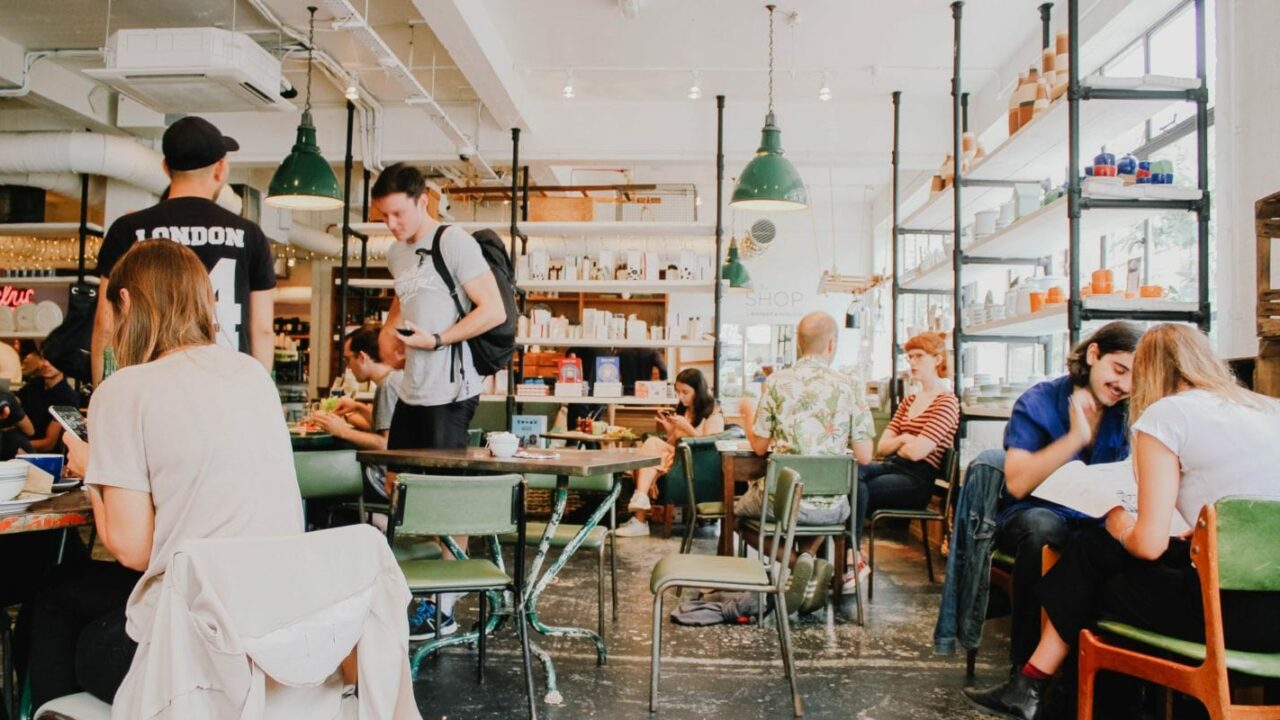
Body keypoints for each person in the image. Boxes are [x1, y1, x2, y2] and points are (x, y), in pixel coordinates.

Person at [14, 239, 302, 710]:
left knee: (58, 607)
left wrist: (93, 472)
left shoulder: (124, 389)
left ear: (125, 301)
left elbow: (133, 548)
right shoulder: (252, 375)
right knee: (65, 591)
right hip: (268, 626)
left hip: (197, 651)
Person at [964, 324, 1280, 720]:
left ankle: (1045, 691)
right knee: (1098, 554)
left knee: (1101, 575)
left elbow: (1148, 544)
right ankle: (1036, 686)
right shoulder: (1269, 408)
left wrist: (1114, 517)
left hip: (1227, 616)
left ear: (1148, 371)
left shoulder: (1168, 414)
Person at [934, 321, 1143, 668]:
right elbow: (1016, 482)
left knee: (1132, 543)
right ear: (1093, 354)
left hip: (1099, 518)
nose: (1124, 385)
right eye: (1118, 369)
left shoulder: (1129, 411)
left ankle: (1106, 677)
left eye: (1134, 377)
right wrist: (1075, 438)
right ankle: (1026, 672)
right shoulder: (1040, 401)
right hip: (1034, 513)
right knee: (1044, 529)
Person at [371, 163, 506, 637]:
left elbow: (493, 310)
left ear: (422, 200)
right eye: (384, 217)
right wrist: (392, 333)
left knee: (446, 501)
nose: (391, 225)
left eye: (398, 214)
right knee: (399, 490)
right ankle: (408, 591)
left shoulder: (454, 242)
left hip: (452, 389)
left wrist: (439, 339)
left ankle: (444, 607)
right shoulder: (396, 254)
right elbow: (405, 297)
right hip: (412, 389)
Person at [91, 116, 276, 384]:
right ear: (220, 169)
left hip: (151, 385)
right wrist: (259, 396)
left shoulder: (128, 230)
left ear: (166, 167)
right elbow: (262, 330)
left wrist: (102, 394)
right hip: (227, 386)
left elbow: (106, 324)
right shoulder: (250, 235)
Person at [736, 312, 875, 608]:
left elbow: (759, 447)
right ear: (831, 344)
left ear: (798, 344)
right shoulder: (850, 385)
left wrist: (748, 414)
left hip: (783, 503)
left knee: (737, 514)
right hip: (834, 508)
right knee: (818, 510)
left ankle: (798, 562)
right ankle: (809, 560)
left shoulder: (776, 382)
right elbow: (864, 455)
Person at [853, 332, 959, 586]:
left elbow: (918, 452)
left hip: (917, 479)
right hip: (894, 467)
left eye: (919, 356)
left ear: (937, 359)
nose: (912, 362)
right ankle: (849, 554)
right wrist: (903, 440)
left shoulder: (946, 402)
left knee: (857, 487)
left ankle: (849, 555)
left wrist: (902, 442)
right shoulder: (909, 400)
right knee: (851, 472)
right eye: (910, 357)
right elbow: (883, 444)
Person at [615, 368, 725, 537]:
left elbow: (711, 445)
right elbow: (674, 442)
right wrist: (669, 429)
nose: (680, 397)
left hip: (696, 463)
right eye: (678, 392)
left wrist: (686, 427)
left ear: (699, 390)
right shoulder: (684, 410)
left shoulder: (713, 412)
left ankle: (640, 516)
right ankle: (640, 508)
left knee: (649, 453)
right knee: (649, 451)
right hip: (677, 457)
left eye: (685, 392)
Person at [312, 326, 403, 501]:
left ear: (362, 357)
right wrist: (358, 407)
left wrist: (342, 431)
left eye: (348, 360)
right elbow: (392, 428)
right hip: (393, 476)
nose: (349, 368)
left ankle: (376, 519)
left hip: (382, 480)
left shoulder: (387, 387)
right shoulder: (395, 378)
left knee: (320, 476)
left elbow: (386, 444)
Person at [17, 351, 80, 453]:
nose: (46, 364)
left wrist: (13, 444)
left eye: (52, 360)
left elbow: (49, 444)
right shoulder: (33, 385)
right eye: (43, 358)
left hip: (47, 458)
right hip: (21, 448)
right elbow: (14, 408)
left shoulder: (68, 397)